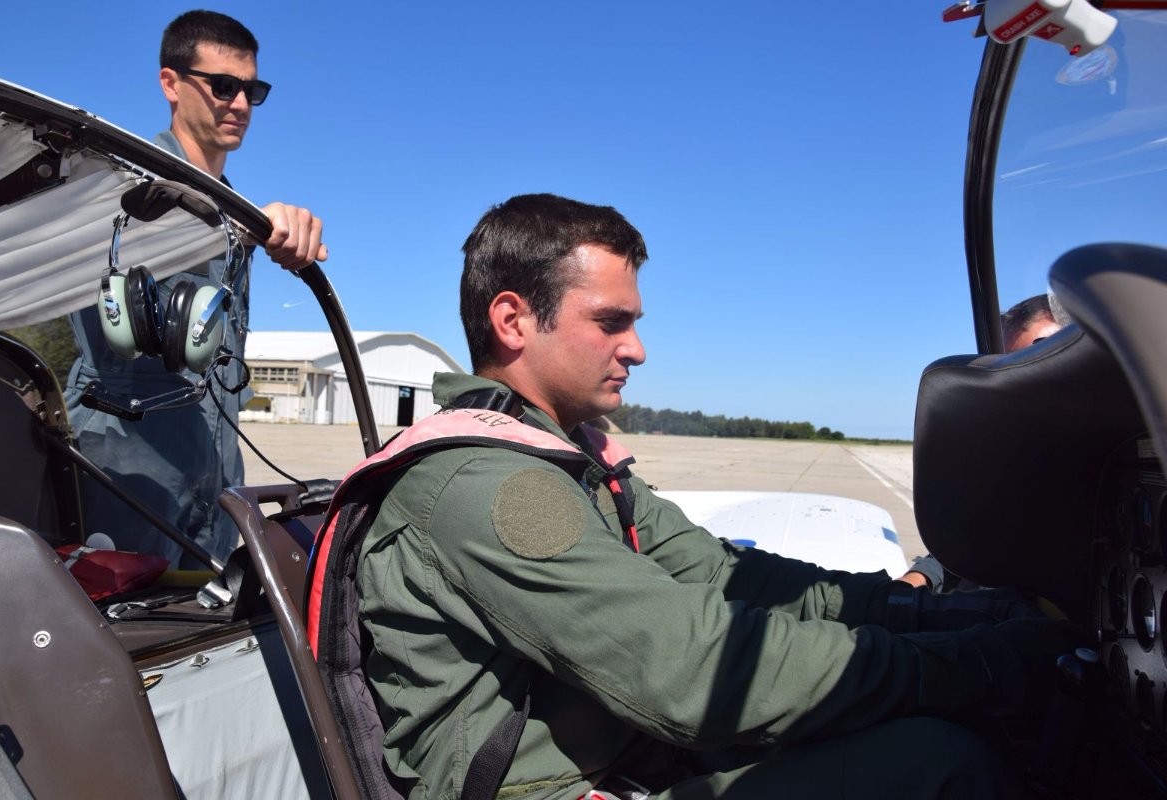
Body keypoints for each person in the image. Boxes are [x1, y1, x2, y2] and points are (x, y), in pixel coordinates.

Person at [346, 194, 1081, 799]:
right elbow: (693, 671)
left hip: (629, 759)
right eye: (610, 322)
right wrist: (980, 666)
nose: (636, 350)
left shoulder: (569, 461)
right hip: (566, 788)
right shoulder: (490, 485)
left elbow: (730, 576)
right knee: (941, 766)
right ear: (513, 321)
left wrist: (930, 615)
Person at [64, 10, 326, 567]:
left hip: (217, 472)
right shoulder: (116, 191)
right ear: (171, 83)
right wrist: (246, 223)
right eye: (224, 86)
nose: (241, 104)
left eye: (252, 90)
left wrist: (258, 225)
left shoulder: (235, 220)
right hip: (127, 468)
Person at [900, 293, 1066, 589]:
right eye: (1010, 371)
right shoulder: (1011, 458)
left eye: (1041, 361)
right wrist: (915, 580)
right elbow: (972, 542)